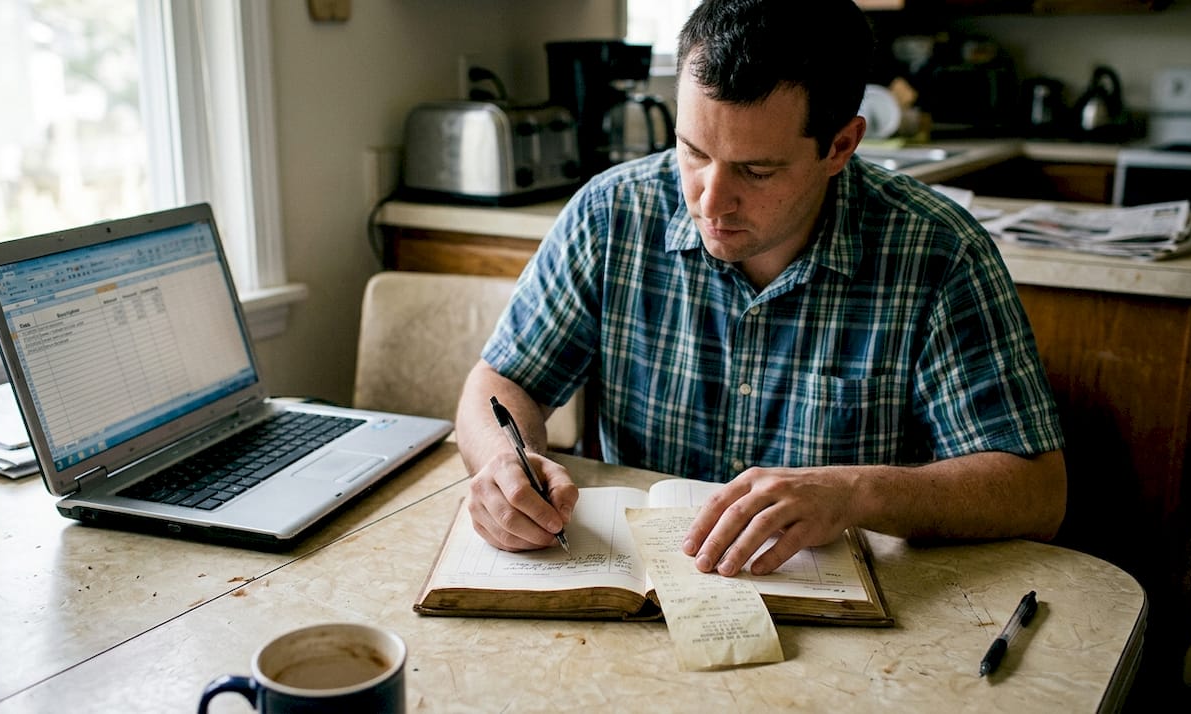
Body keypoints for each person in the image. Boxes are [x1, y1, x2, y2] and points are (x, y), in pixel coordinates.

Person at [454, 0, 1066, 577]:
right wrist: (504, 464)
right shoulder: (610, 214)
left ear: (841, 146)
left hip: (851, 620)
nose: (710, 201)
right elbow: (504, 384)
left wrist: (854, 492)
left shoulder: (939, 252)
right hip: (637, 591)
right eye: (692, 152)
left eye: (757, 170)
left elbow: (1035, 491)